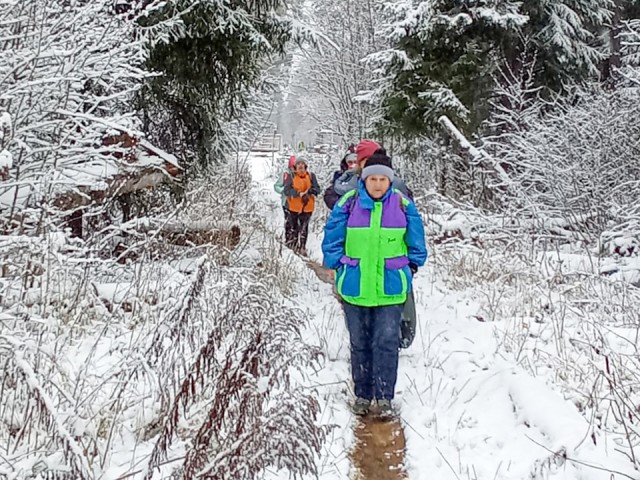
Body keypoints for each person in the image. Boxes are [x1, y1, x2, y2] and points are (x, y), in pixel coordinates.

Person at [321, 150, 427, 417]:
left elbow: (417, 243)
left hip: (391, 290)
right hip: (355, 288)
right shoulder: (348, 203)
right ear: (364, 180)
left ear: (390, 180)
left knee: (386, 342)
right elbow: (332, 239)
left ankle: (384, 397)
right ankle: (363, 394)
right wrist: (339, 265)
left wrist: (409, 268)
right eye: (372, 179)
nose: (378, 184)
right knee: (360, 343)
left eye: (383, 179)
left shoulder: (403, 205)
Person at [334, 139, 413, 199]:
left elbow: (409, 211)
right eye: (367, 160)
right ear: (360, 163)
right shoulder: (352, 181)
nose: (372, 163)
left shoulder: (393, 182)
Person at [283, 157, 321, 256]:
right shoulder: (291, 177)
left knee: (304, 227)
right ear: (295, 167)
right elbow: (287, 190)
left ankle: (303, 247)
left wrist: (310, 192)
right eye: (298, 164)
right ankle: (294, 245)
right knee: (294, 227)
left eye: (302, 163)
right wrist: (297, 193)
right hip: (293, 207)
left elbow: (317, 189)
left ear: (305, 166)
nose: (300, 165)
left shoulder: (311, 176)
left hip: (308, 206)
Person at [274, 155, 296, 245]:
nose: (294, 168)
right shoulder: (285, 175)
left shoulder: (301, 174)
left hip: (298, 203)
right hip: (286, 202)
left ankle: (295, 242)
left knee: (296, 223)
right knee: (288, 222)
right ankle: (288, 240)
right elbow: (276, 186)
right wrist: (283, 190)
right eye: (293, 166)